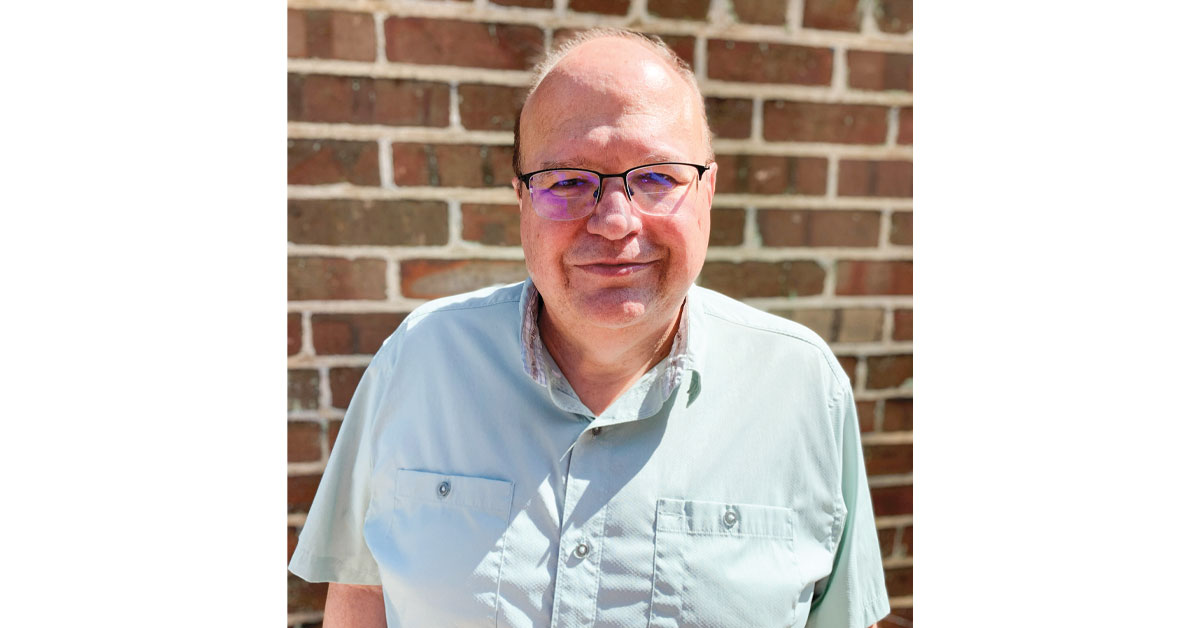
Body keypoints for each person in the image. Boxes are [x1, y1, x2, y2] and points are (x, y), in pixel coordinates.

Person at [289, 28, 890, 628]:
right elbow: (362, 595)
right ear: (522, 201)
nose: (614, 221)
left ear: (707, 191)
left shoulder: (803, 387)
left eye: (657, 177)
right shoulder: (419, 361)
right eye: (568, 181)